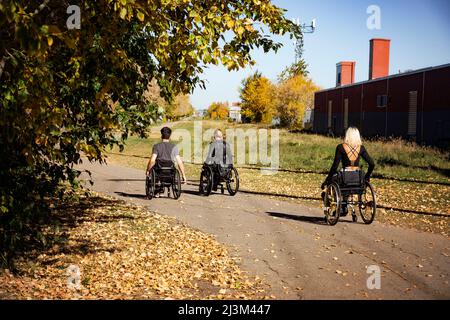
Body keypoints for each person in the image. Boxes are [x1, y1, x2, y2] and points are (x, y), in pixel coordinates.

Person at [321, 127, 375, 215]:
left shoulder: (340, 147)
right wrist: (367, 176)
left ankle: (331, 208)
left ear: (347, 135)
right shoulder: (361, 148)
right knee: (348, 184)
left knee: (328, 188)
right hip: (358, 178)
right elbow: (372, 164)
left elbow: (335, 166)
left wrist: (327, 180)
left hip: (344, 177)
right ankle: (344, 206)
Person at [146, 127, 187, 194]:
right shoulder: (174, 147)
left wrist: (148, 170)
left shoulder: (157, 146)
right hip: (170, 170)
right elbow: (179, 162)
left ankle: (158, 187)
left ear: (161, 135)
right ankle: (163, 188)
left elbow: (152, 161)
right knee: (173, 168)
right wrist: (183, 175)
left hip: (159, 169)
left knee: (155, 168)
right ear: (170, 136)